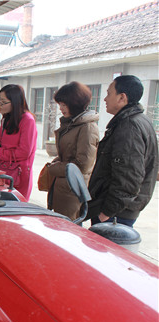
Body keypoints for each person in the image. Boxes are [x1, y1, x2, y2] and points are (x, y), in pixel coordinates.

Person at [88, 75, 158, 227]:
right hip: (119, 211)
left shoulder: (129, 126)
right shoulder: (138, 120)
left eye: (108, 93)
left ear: (122, 97)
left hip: (116, 214)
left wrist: (107, 212)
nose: (105, 99)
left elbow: (128, 178)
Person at [45, 82, 99, 220]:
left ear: (75, 103)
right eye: (60, 104)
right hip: (63, 186)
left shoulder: (87, 127)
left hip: (72, 189)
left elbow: (83, 165)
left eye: (64, 104)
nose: (61, 108)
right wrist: (57, 161)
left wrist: (55, 168)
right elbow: (66, 154)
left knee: (68, 230)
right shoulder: (72, 123)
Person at [0, 84, 37, 201]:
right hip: (2, 170)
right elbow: (4, 141)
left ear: (15, 102)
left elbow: (24, 152)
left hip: (18, 175)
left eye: (3, 102)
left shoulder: (28, 120)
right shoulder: (6, 118)